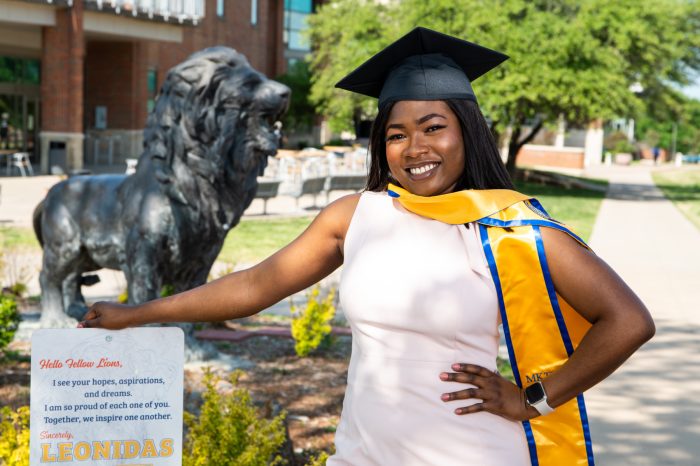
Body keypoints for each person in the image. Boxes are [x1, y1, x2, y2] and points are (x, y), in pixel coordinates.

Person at [81, 27, 655, 465]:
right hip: (362, 451)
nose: (414, 147)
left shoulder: (508, 227)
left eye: (434, 127)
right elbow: (256, 285)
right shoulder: (357, 215)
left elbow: (627, 321)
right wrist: (139, 313)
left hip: (467, 452)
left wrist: (532, 399)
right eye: (397, 134)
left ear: (466, 131)